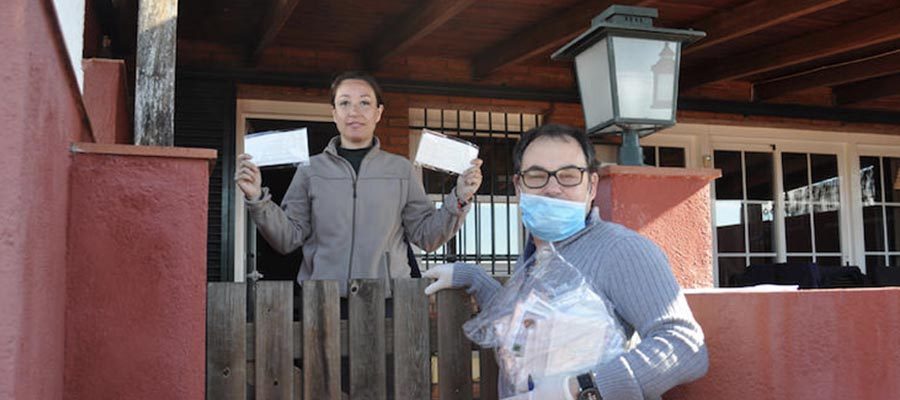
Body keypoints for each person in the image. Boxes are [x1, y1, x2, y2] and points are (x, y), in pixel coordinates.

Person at [423, 124, 708, 400]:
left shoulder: (621, 250)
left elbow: (684, 346)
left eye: (569, 175)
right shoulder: (537, 257)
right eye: (537, 176)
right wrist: (473, 277)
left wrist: (581, 390)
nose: (553, 188)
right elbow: (528, 327)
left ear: (592, 185)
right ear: (519, 187)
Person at [236, 71, 482, 296]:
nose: (354, 111)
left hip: (389, 299)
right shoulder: (310, 170)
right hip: (323, 299)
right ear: (334, 113)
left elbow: (427, 237)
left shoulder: (400, 170)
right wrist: (257, 197)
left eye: (364, 102)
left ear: (378, 113)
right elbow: (287, 239)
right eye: (344, 103)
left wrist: (460, 198)